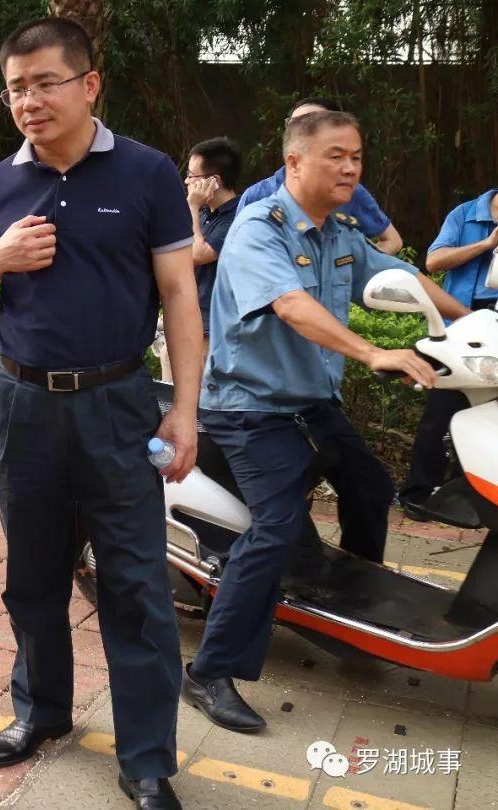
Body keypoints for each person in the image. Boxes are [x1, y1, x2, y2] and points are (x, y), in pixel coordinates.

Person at [0, 18, 203, 810]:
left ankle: (147, 759)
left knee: (135, 585)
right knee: (32, 575)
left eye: (45, 83)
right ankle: (41, 712)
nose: (29, 101)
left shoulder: (147, 173)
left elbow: (180, 296)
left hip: (117, 404)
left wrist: (184, 411)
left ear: (89, 84)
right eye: (16, 89)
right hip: (22, 404)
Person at [182, 110, 471, 734]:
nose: (349, 168)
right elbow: (290, 304)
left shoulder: (338, 233)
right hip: (249, 412)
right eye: (335, 155)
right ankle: (209, 671)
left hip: (311, 406)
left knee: (370, 488)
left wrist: (472, 322)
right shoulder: (258, 228)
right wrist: (372, 352)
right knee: (276, 527)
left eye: (357, 157)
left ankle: (347, 611)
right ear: (294, 162)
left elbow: (402, 276)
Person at [399, 186, 498, 515]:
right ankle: (417, 494)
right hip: (462, 328)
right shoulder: (465, 214)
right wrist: (487, 244)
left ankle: (475, 498)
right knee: (440, 413)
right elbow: (434, 261)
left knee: (488, 419)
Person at [238, 97, 403, 255]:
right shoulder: (257, 197)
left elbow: (392, 241)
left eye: (355, 158)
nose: (349, 170)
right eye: (294, 124)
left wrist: (354, 268)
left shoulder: (348, 190)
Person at [161, 137, 241, 382]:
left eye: (192, 176)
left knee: (198, 400)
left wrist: (192, 206)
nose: (187, 181)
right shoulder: (204, 214)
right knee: (170, 394)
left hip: (212, 330)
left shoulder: (238, 216)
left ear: (214, 180)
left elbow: (198, 254)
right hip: (186, 321)